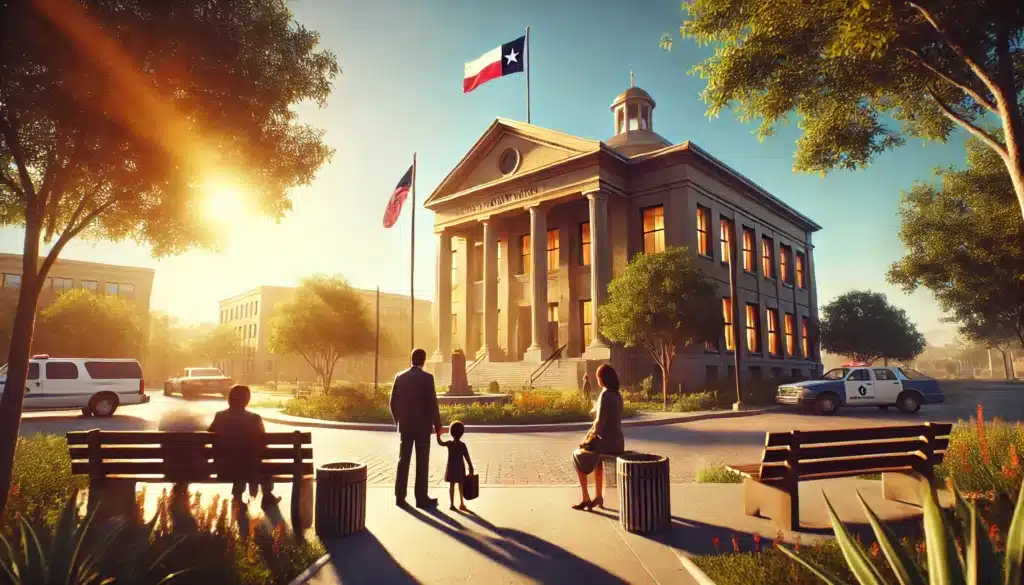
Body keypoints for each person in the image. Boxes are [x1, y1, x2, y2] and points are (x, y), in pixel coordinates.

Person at [208, 385, 279, 509]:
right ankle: (267, 496)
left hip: (222, 469)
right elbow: (264, 445)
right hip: (251, 470)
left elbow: (208, 437)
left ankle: (237, 496)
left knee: (236, 458)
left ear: (229, 399)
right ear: (246, 401)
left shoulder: (219, 416)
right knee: (258, 461)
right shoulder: (255, 419)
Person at [389, 348, 443, 508]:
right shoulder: (427, 378)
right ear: (424, 360)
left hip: (405, 427)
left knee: (403, 461)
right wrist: (438, 426)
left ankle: (400, 497)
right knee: (422, 462)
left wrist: (398, 421)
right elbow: (432, 404)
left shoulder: (399, 377)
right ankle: (421, 498)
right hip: (422, 428)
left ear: (411, 359)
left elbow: (392, 403)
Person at [571, 364, 624, 511]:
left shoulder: (605, 394)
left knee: (577, 455)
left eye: (598, 377)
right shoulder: (617, 394)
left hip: (606, 443)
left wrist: (587, 439)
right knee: (596, 459)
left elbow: (599, 424)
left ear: (603, 379)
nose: (597, 380)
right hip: (618, 442)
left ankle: (585, 498)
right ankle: (598, 496)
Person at [437, 420, 474, 511]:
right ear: (462, 433)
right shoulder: (462, 445)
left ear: (451, 432)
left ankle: (452, 504)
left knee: (452, 486)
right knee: (461, 486)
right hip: (460, 468)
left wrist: (438, 434)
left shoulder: (450, 444)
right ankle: (462, 503)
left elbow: (440, 442)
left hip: (451, 468)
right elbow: (467, 458)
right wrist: (471, 468)